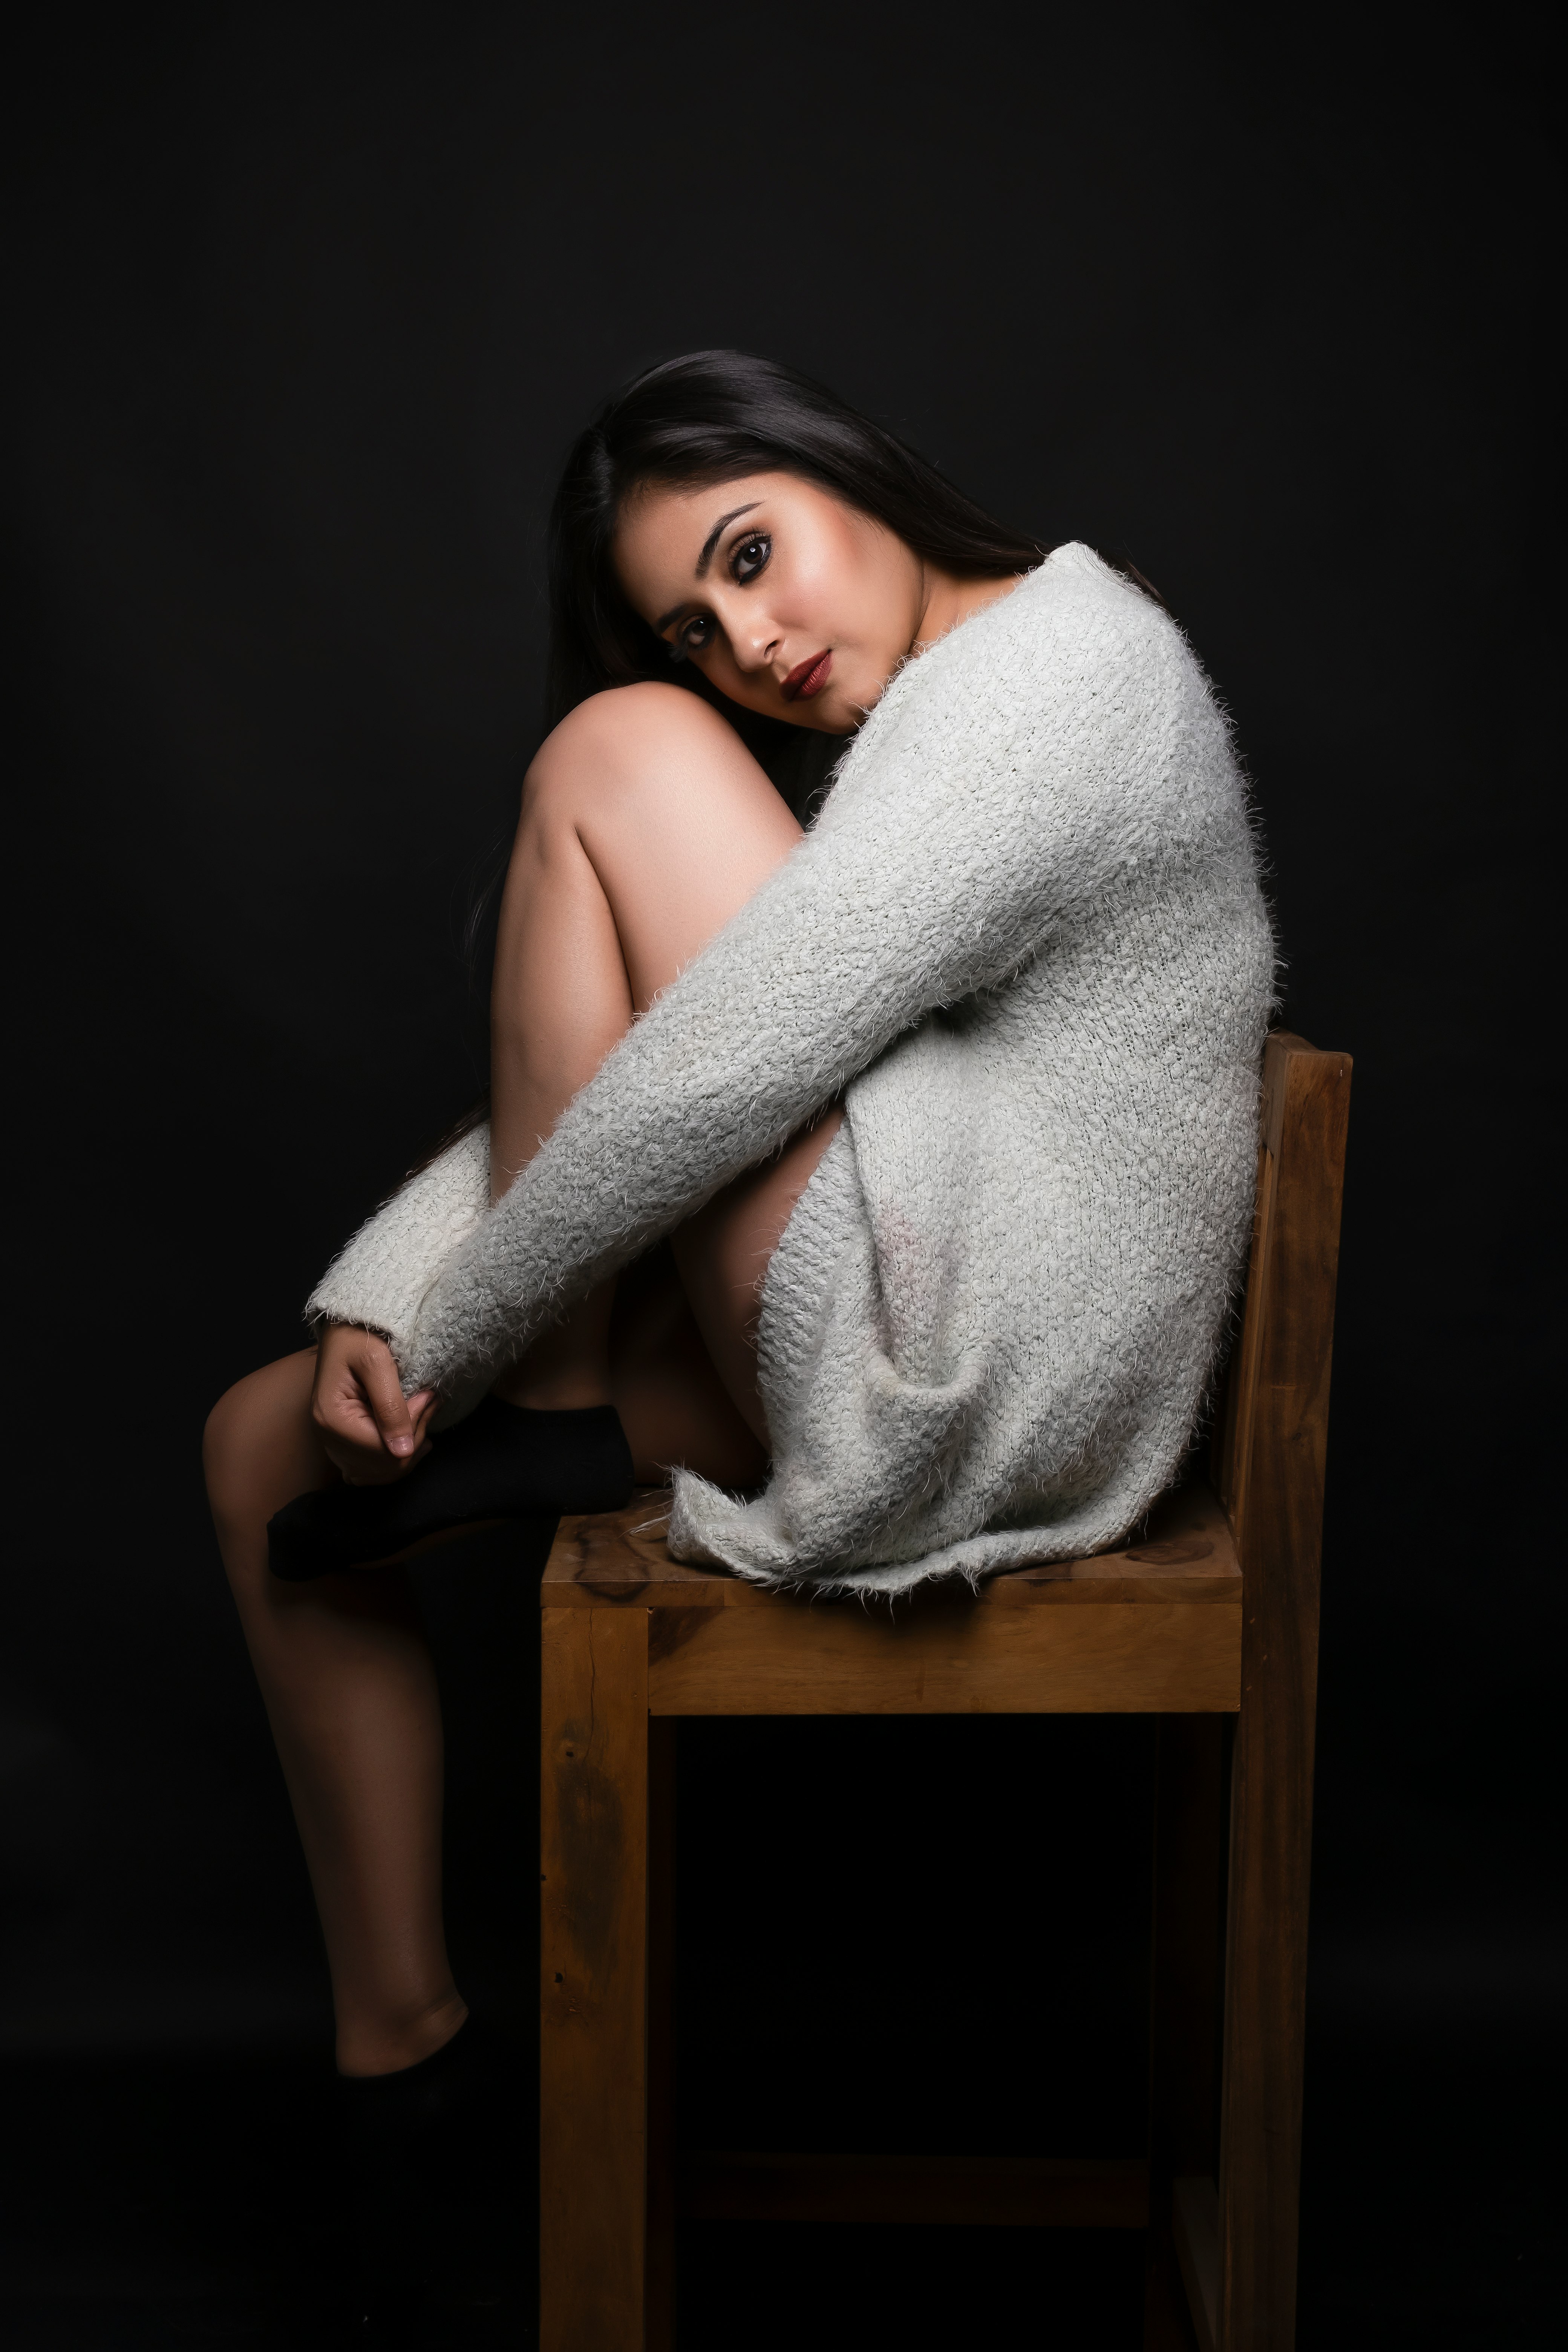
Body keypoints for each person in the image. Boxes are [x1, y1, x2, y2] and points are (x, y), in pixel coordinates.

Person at [202, 349, 1272, 2249]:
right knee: (257, 1452)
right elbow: (696, 1050)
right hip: (909, 1285)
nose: (748, 637)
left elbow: (709, 1077)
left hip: (985, 1358)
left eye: (754, 552)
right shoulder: (929, 718)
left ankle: (541, 1404)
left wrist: (456, 1333)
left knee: (608, 757)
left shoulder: (1058, 677)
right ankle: (406, 2066)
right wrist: (383, 1294)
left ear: (836, 466)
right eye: (697, 624)